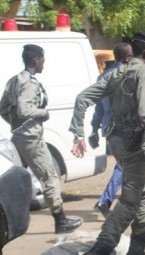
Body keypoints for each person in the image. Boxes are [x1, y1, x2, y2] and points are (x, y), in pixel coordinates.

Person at [69, 32, 145, 255]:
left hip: (115, 141)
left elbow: (82, 99)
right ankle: (102, 246)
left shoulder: (115, 73)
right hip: (131, 144)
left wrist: (78, 133)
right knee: (131, 200)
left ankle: (137, 246)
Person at [0, 44, 82, 234]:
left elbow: (3, 109)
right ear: (36, 60)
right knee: (50, 176)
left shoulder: (14, 81)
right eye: (42, 59)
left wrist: (16, 125)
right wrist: (43, 113)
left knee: (20, 179)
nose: (44, 63)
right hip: (32, 139)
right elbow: (24, 109)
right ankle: (60, 220)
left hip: (19, 137)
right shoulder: (30, 83)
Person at [90, 43, 133, 218]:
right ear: (126, 58)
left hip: (109, 128)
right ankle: (106, 201)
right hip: (124, 128)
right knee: (125, 165)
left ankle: (111, 201)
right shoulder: (127, 76)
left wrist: (94, 128)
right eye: (131, 55)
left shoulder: (102, 77)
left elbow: (98, 108)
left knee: (124, 164)